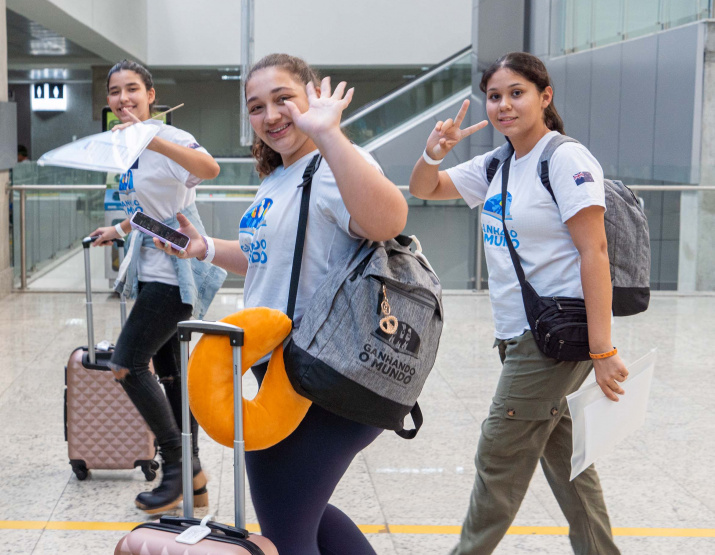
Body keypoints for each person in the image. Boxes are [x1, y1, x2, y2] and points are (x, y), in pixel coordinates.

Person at [156, 53, 408, 555]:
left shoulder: (334, 166)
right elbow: (266, 261)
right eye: (256, 106)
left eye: (282, 99)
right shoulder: (282, 176)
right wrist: (203, 248)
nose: (270, 116)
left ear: (313, 96)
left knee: (287, 531)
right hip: (286, 371)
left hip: (329, 376)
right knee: (300, 516)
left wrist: (331, 135)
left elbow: (388, 221)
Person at [408, 52, 625, 554]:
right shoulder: (499, 163)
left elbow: (594, 252)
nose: (504, 104)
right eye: (494, 96)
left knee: (497, 459)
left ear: (544, 97)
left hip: (552, 338)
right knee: (570, 463)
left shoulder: (564, 158)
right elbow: (425, 187)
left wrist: (603, 349)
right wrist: (434, 153)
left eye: (516, 93)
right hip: (517, 334)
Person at [88, 59, 224, 514]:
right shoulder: (124, 147)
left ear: (150, 95)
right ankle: (194, 480)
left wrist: (156, 138)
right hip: (150, 269)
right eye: (114, 91)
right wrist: (122, 229)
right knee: (170, 376)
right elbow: (152, 210)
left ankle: (177, 468)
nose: (122, 98)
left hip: (175, 275)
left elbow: (209, 168)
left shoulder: (171, 138)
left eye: (132, 89)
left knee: (127, 363)